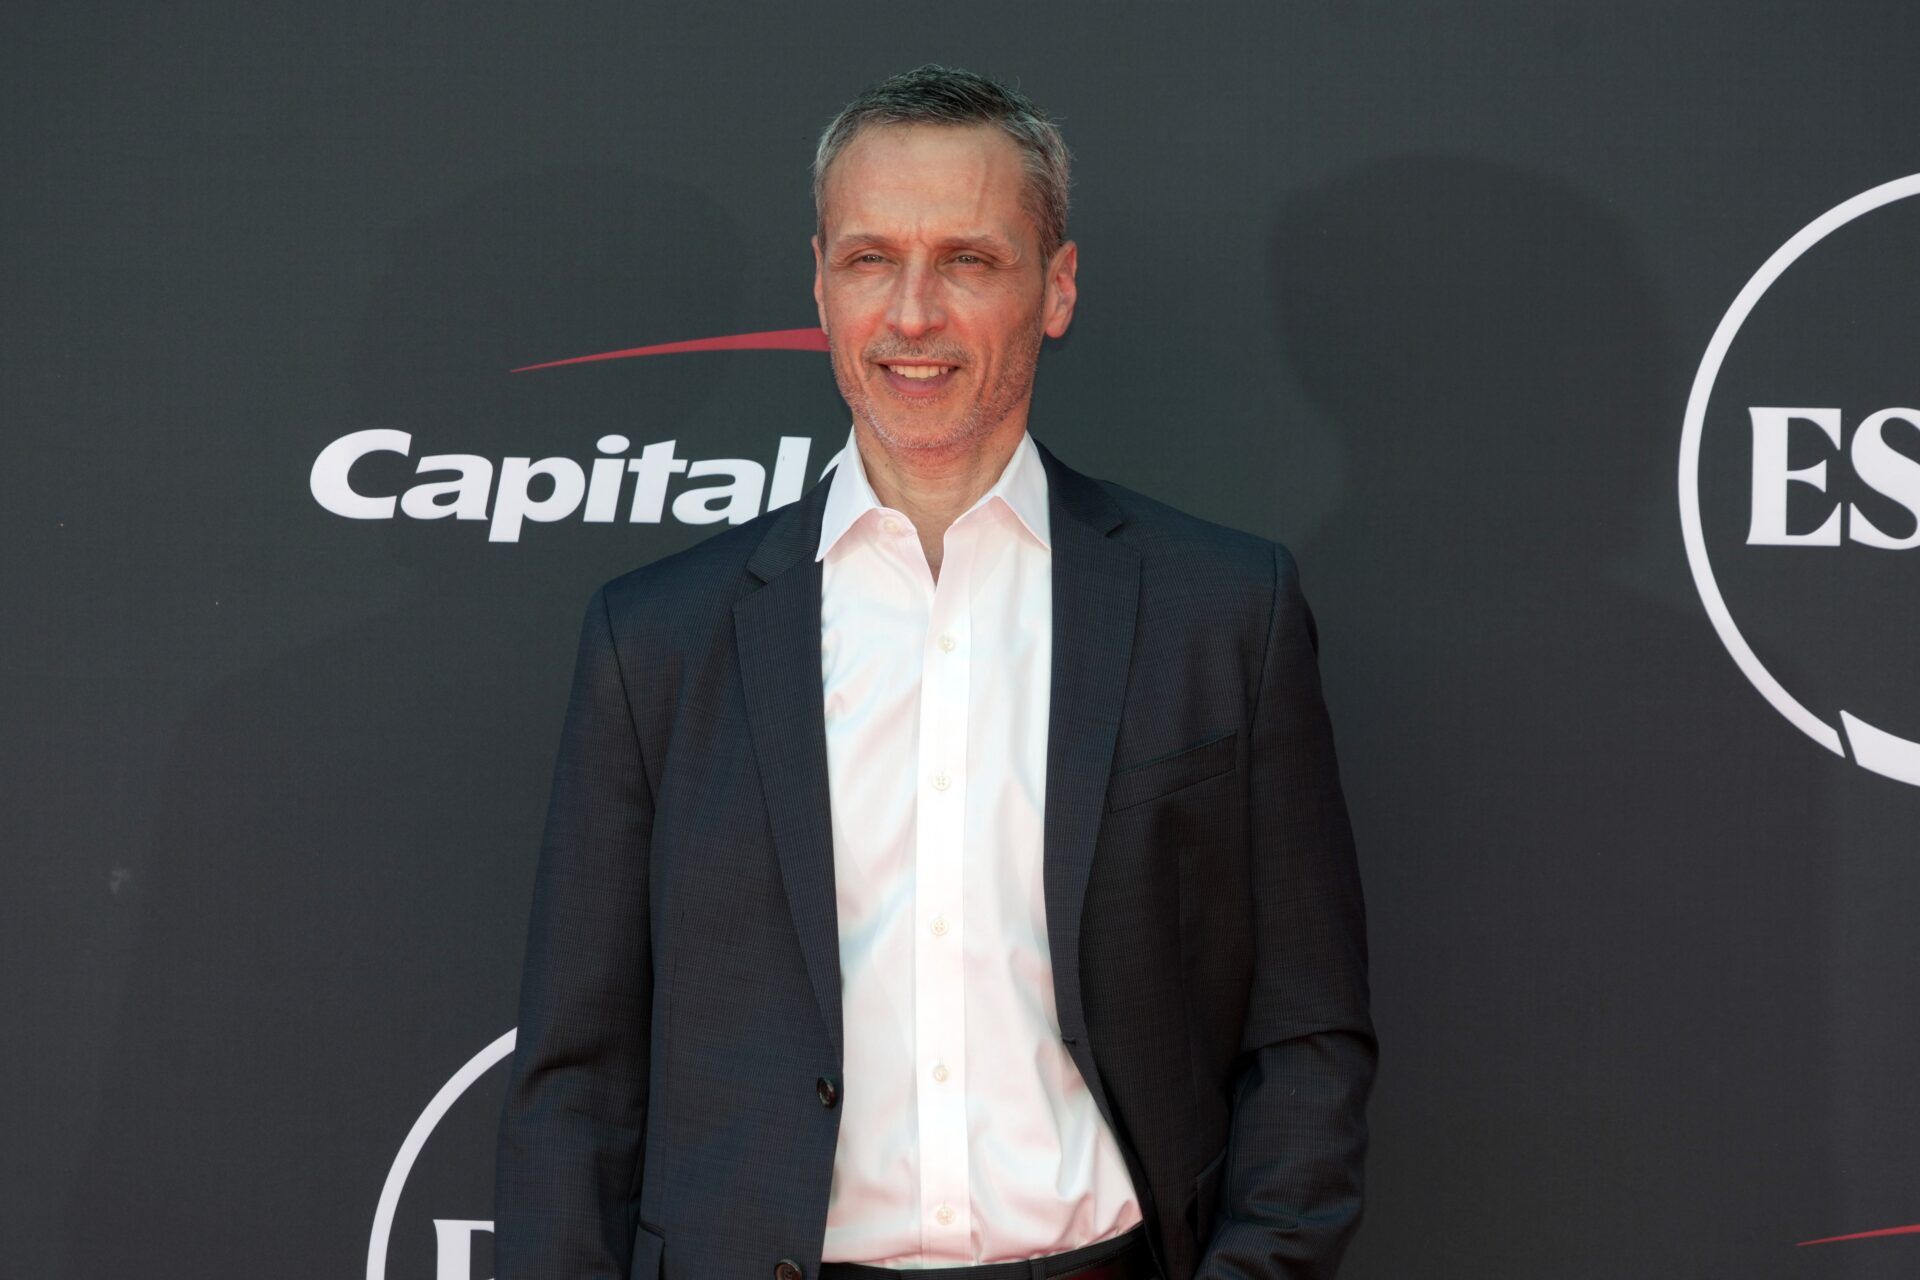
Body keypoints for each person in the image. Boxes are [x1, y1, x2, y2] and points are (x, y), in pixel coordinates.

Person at [494, 64, 1375, 1280]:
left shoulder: (1223, 610)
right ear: (818, 281)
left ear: (1055, 287)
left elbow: (1306, 1033)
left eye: (969, 259)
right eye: (869, 260)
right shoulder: (659, 640)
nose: (912, 313)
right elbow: (574, 1086)